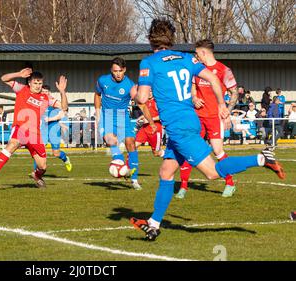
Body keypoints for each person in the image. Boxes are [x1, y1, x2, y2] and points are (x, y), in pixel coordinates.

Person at [129, 18, 285, 241]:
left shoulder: (149, 63)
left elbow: (142, 97)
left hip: (179, 127)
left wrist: (135, 93)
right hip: (190, 119)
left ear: (150, 40)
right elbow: (212, 77)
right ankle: (154, 224)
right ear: (171, 40)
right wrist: (222, 104)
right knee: (166, 172)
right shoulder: (185, 58)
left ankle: (261, 159)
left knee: (212, 172)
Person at [0, 68, 68, 191]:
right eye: (35, 83)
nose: (38, 86)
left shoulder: (46, 98)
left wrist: (62, 92)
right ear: (29, 82)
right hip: (21, 128)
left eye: (40, 83)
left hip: (35, 134)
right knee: (12, 144)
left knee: (42, 166)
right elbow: (3, 78)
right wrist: (18, 74)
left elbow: (64, 107)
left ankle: (36, 176)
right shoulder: (22, 89)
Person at [177, 39, 240, 199]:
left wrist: (227, 111)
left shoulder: (223, 70)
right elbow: (192, 87)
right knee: (188, 149)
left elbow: (234, 92)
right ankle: (183, 187)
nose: (196, 56)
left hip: (214, 117)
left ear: (204, 52)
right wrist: (194, 98)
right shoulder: (197, 68)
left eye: (197, 53)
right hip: (197, 117)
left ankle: (230, 183)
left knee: (218, 151)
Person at [94, 57, 155, 190]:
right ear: (111, 70)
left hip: (123, 118)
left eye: (120, 71)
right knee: (111, 140)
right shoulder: (102, 81)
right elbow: (97, 95)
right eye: (115, 71)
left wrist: (151, 121)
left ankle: (134, 180)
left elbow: (141, 104)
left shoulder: (129, 85)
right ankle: (121, 164)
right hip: (107, 117)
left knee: (130, 143)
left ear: (125, 70)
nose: (118, 74)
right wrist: (97, 111)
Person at [36, 85, 72, 172]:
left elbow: (64, 112)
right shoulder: (39, 101)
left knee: (56, 153)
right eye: (43, 91)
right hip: (43, 128)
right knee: (39, 150)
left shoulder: (54, 101)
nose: (45, 93)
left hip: (54, 127)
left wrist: (51, 119)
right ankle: (36, 172)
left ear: (49, 92)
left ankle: (66, 159)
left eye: (46, 91)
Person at [134, 91, 165, 158]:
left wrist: (149, 120)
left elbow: (163, 116)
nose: (150, 93)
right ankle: (129, 166)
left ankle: (172, 157)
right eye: (149, 91)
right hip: (145, 129)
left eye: (151, 91)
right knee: (133, 147)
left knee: (156, 153)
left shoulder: (157, 102)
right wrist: (140, 118)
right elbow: (147, 114)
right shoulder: (145, 102)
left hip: (155, 130)